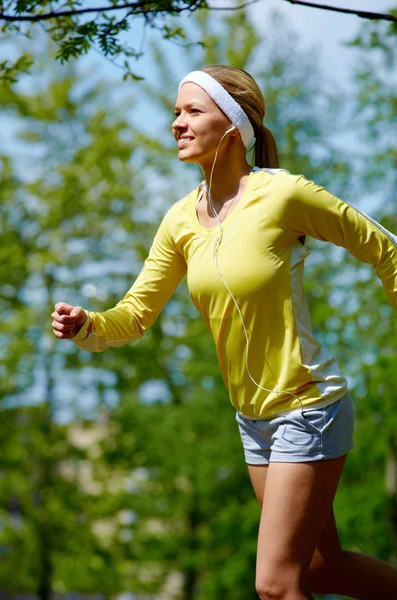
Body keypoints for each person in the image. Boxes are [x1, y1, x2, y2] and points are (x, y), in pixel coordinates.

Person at [51, 65, 397, 600]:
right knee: (324, 570)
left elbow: (383, 247)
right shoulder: (180, 221)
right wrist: (88, 326)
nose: (177, 124)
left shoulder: (282, 195)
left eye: (192, 111)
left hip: (308, 407)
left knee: (276, 585)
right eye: (174, 113)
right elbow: (136, 314)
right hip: (254, 421)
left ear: (233, 125)